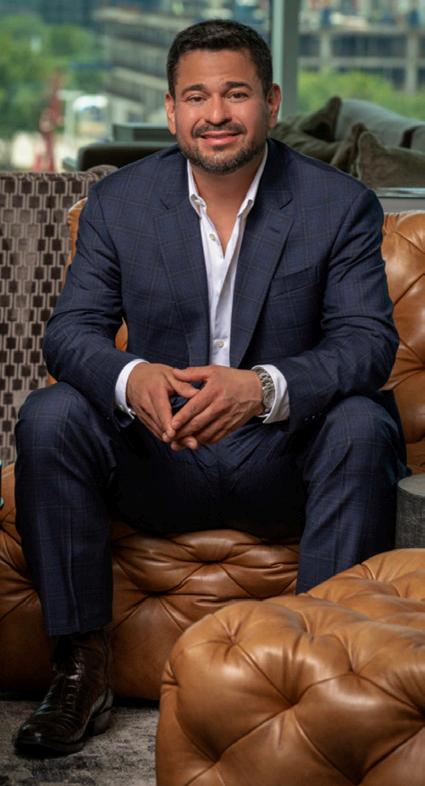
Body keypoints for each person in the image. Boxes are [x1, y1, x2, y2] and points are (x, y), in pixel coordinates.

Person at [14, 19, 406, 756]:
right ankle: (80, 668)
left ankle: (318, 675)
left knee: (362, 422)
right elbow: (70, 333)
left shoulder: (338, 204)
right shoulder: (121, 202)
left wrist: (262, 387)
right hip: (158, 457)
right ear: (171, 110)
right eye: (196, 97)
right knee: (52, 413)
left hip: (282, 462)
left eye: (236, 94)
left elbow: (367, 344)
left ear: (271, 102)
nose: (216, 114)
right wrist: (132, 377)